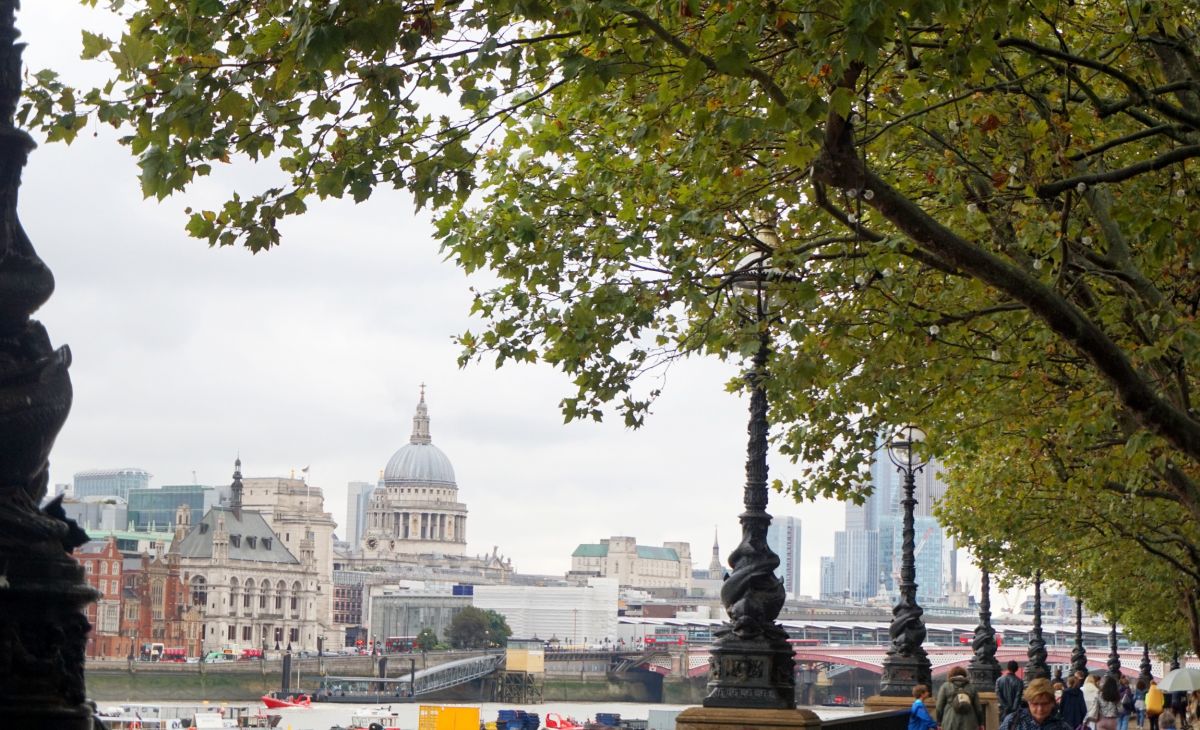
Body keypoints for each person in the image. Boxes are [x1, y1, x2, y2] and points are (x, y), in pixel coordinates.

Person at [1001, 678, 1075, 730]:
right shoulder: (1013, 721)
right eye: (1035, 704)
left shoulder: (1062, 727)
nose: (1040, 709)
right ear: (1028, 702)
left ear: (1052, 703)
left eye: (1044, 704)